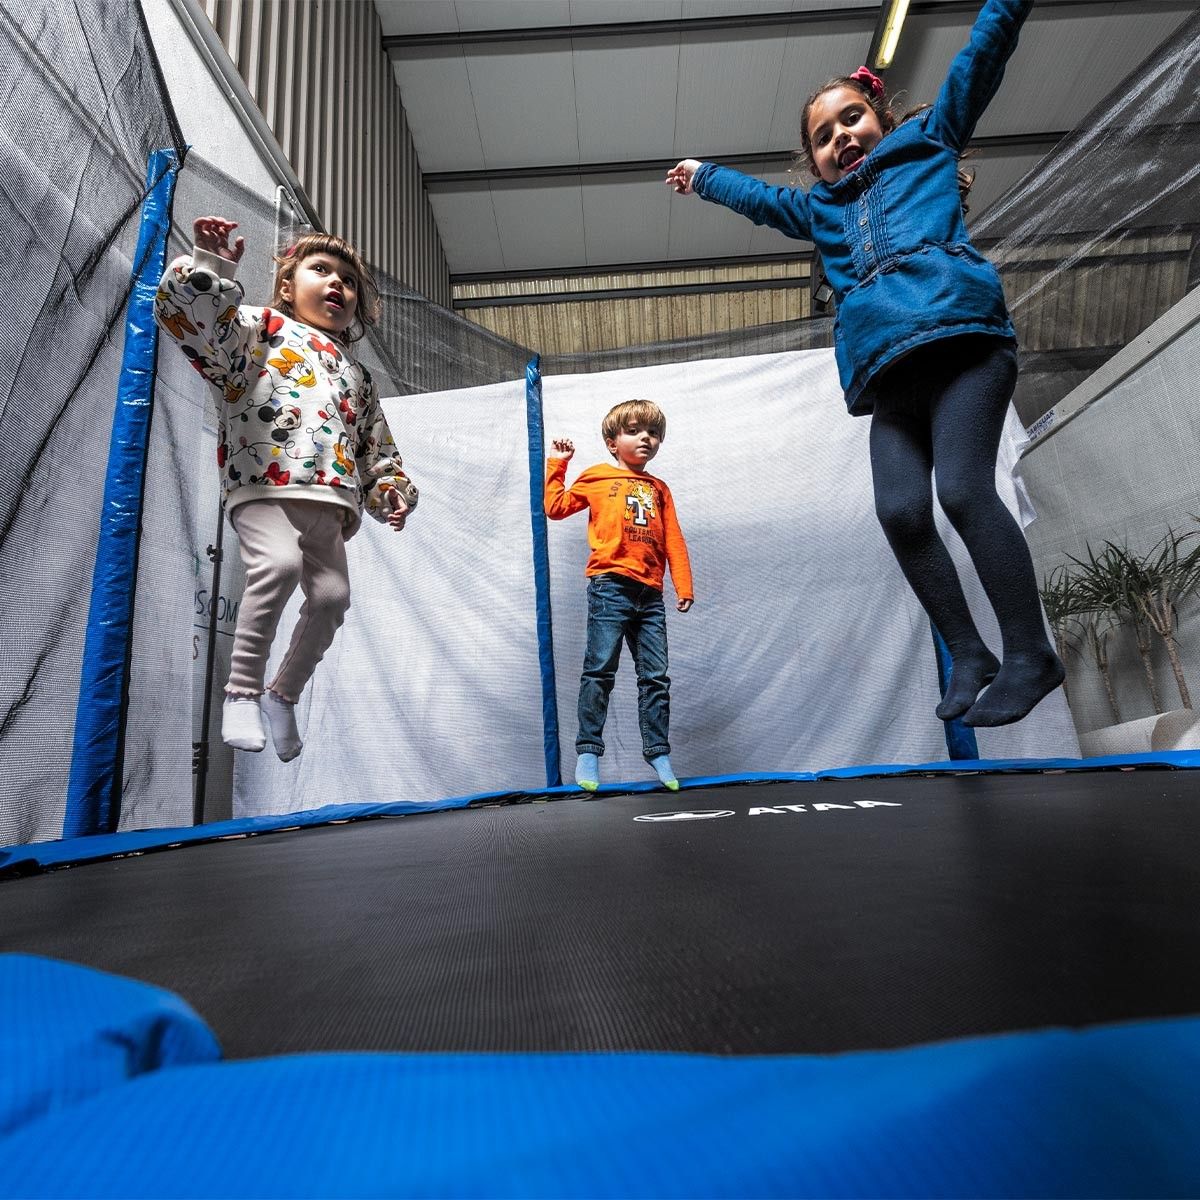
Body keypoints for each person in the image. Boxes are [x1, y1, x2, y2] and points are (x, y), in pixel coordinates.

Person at [666, 0, 1064, 728]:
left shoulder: (930, 141)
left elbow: (983, 55)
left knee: (966, 493)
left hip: (963, 346)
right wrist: (704, 174)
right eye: (823, 137)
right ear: (812, 159)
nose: (840, 138)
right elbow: (758, 199)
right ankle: (968, 652)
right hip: (890, 380)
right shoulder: (820, 212)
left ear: (880, 117)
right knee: (901, 510)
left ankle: (1030, 654)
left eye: (850, 119)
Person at [155, 217, 417, 760]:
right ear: (287, 286)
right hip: (265, 485)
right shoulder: (261, 330)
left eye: (348, 280)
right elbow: (197, 324)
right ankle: (242, 693)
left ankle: (283, 695)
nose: (337, 285)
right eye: (321, 270)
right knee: (276, 567)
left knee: (331, 598)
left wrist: (390, 490)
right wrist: (209, 266)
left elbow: (377, 451)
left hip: (331, 501)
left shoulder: (357, 375)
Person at [546, 401, 694, 792]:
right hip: (610, 586)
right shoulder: (597, 477)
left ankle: (658, 750)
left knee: (655, 676)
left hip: (649, 594)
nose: (646, 437)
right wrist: (558, 463)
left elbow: (673, 538)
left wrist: (683, 584)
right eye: (634, 431)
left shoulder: (659, 489)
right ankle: (589, 751)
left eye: (653, 432)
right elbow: (555, 507)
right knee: (600, 670)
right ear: (613, 443)